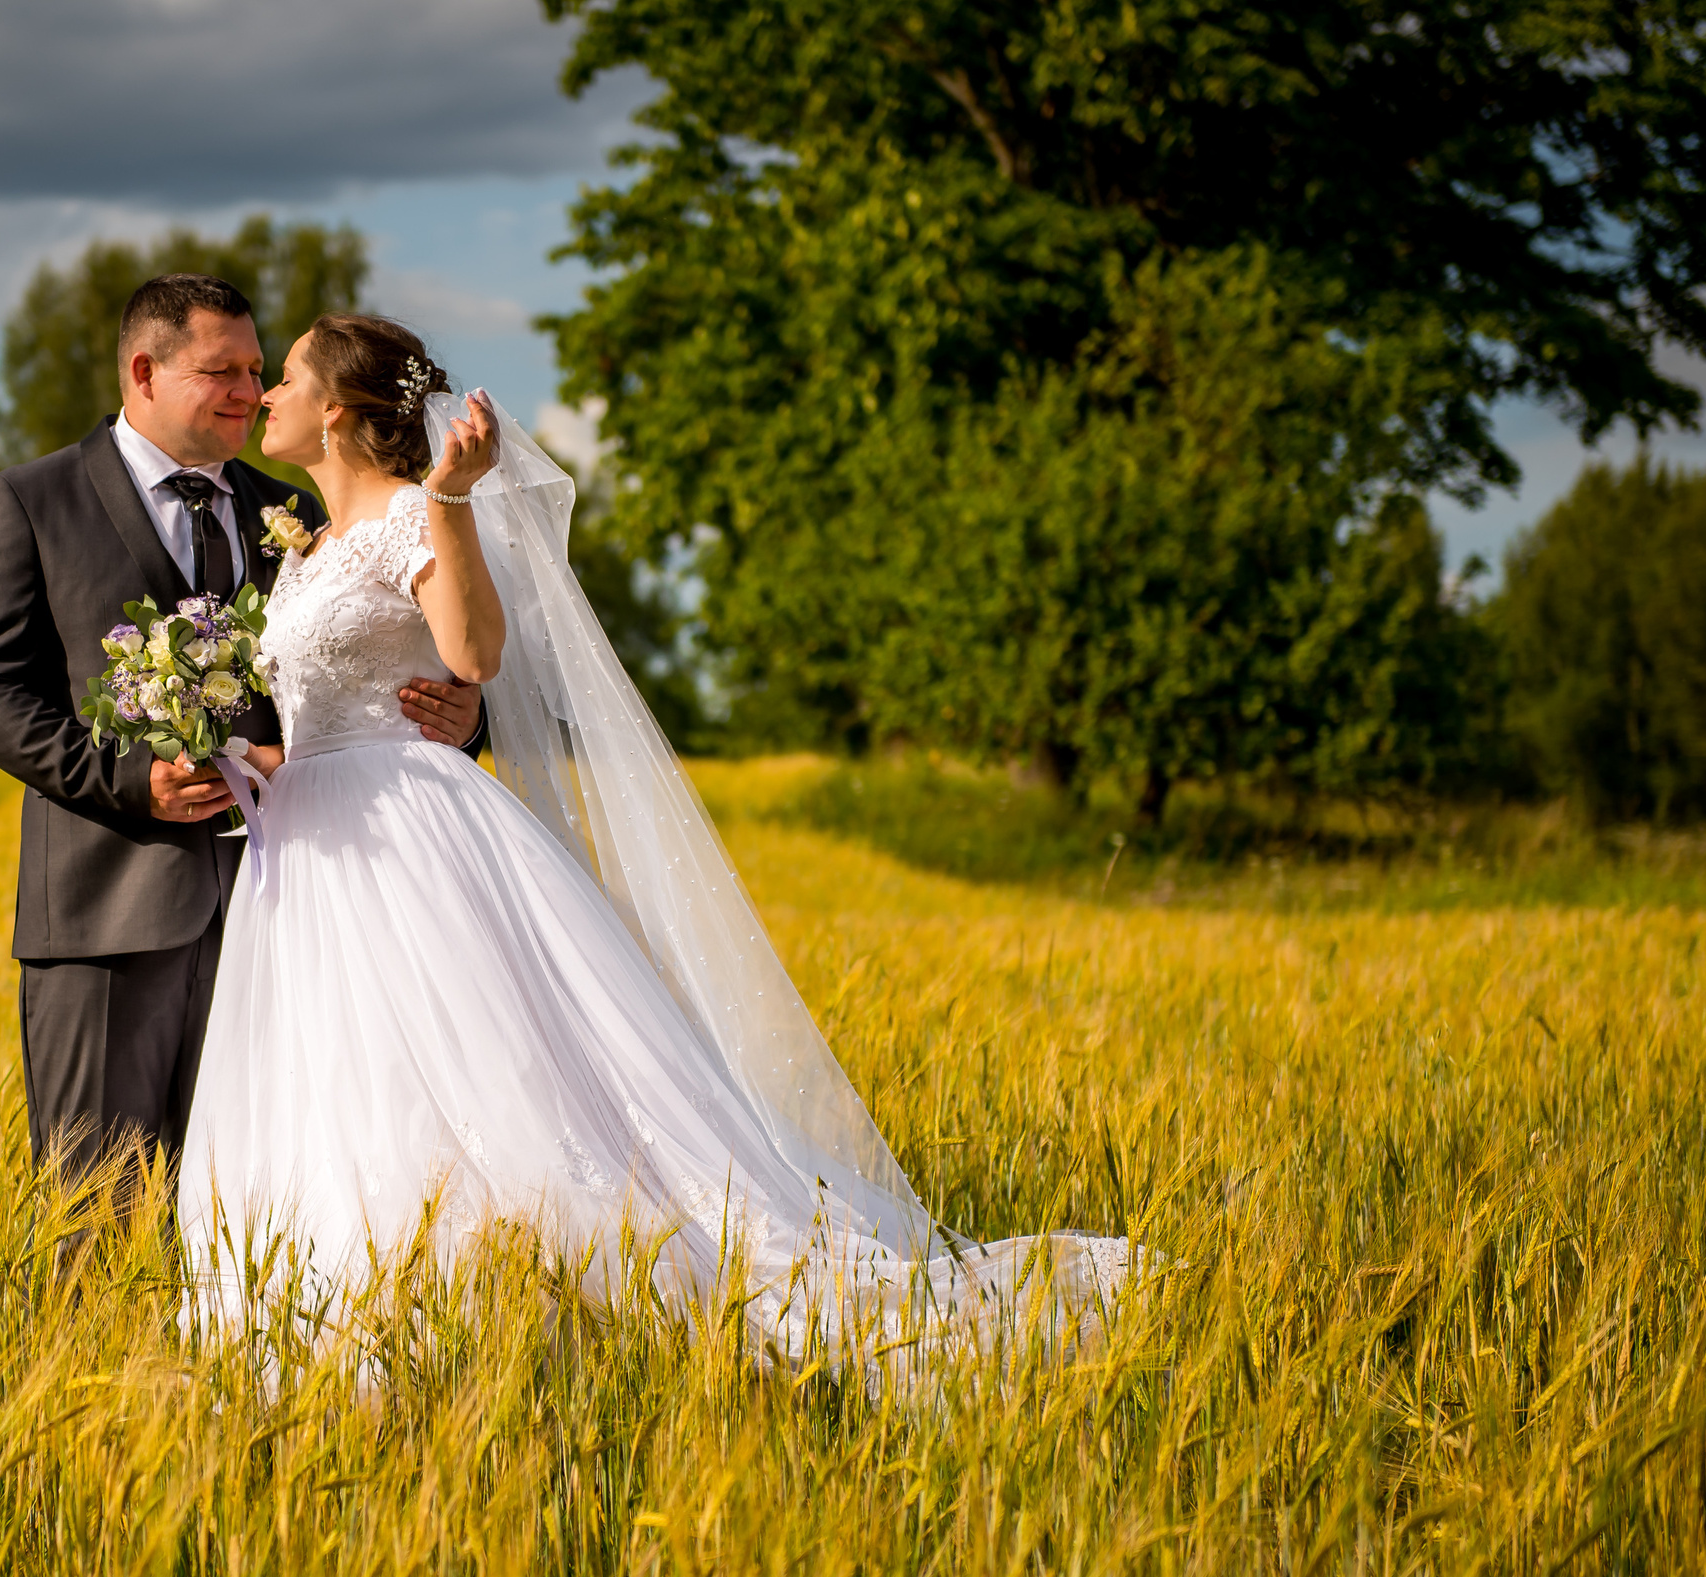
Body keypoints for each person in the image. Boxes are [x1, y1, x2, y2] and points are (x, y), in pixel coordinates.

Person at [177, 313, 1139, 1362]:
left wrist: (451, 497)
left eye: (285, 377)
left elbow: (473, 653)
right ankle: (359, 1306)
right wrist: (234, 755)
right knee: (341, 1066)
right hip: (310, 843)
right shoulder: (305, 546)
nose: (266, 394)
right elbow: (317, 709)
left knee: (469, 1060)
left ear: (336, 410)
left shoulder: (415, 513)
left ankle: (519, 1291)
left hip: (411, 833)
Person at [0, 275, 482, 1194]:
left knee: (257, 1205)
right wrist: (129, 779)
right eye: (221, 371)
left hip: (288, 914)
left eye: (258, 369)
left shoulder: (299, 514)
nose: (250, 390)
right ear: (144, 372)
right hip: (108, 912)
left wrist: (464, 716)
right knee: (96, 1207)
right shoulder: (35, 499)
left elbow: (386, 652)